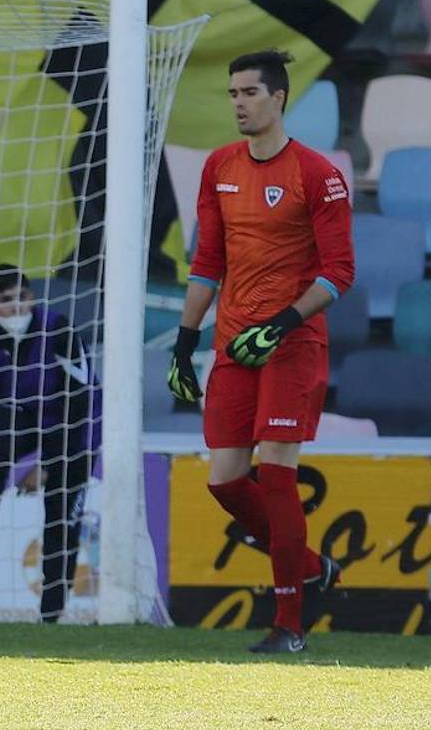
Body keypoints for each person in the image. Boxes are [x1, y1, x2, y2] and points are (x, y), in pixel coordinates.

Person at [167, 50, 353, 653]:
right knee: (225, 481)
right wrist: (184, 341)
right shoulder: (219, 166)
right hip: (233, 344)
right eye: (232, 94)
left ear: (278, 98)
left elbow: (338, 274)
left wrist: (279, 323)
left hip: (292, 342)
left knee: (274, 471)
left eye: (249, 92)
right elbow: (207, 263)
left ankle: (290, 626)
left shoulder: (317, 174)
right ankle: (312, 566)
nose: (239, 103)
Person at [0, 264, 98, 623]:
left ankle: (51, 614)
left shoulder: (59, 330)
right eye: (6, 300)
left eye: (22, 297)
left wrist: (48, 466)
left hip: (73, 428)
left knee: (60, 516)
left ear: (32, 296)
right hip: (22, 423)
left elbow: (81, 402)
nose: (17, 307)